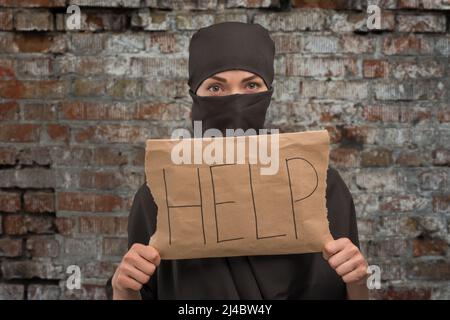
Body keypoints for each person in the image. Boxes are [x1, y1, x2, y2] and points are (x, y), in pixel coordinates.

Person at [107, 22, 369, 300]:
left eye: (251, 85)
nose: (235, 101)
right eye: (216, 88)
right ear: (195, 95)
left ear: (268, 93)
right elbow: (140, 290)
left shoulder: (320, 186)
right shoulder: (160, 196)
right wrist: (122, 289)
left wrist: (359, 283)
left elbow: (348, 290)